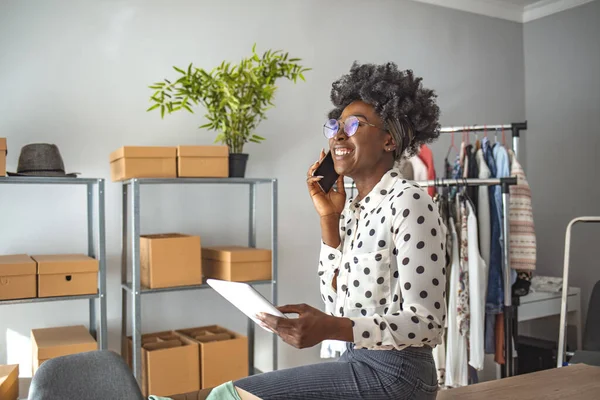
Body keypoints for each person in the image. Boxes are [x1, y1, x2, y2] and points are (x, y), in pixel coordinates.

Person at [207, 62, 446, 400]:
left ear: (389, 139)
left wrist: (331, 328)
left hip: (400, 375)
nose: (338, 135)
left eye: (353, 124)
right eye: (335, 125)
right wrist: (329, 219)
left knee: (229, 396)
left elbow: (427, 324)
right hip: (355, 360)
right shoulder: (350, 211)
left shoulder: (410, 203)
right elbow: (337, 306)